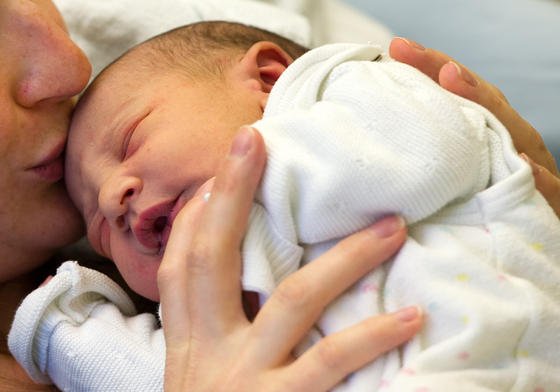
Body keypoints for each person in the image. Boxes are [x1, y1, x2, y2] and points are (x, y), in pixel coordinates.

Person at [1, 1, 558, 391]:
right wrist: (65, 333)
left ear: (270, 80)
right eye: (99, 225)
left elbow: (435, 148)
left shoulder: (346, 95)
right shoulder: (199, 306)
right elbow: (167, 376)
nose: (114, 197)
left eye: (131, 138)